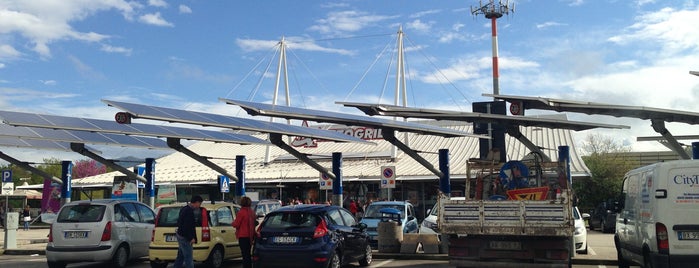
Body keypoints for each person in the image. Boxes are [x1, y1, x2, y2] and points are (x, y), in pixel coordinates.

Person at [174, 195, 203, 268]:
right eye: (200, 204)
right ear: (196, 202)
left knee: (181, 256)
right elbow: (187, 226)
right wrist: (191, 238)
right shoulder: (189, 212)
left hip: (180, 235)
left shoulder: (184, 209)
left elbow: (180, 223)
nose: (199, 206)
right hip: (185, 237)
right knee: (188, 258)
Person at [233, 196, 255, 268]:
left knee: (244, 254)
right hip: (250, 236)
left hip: (242, 236)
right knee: (248, 254)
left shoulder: (241, 212)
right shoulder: (251, 212)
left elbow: (236, 224)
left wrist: (232, 223)